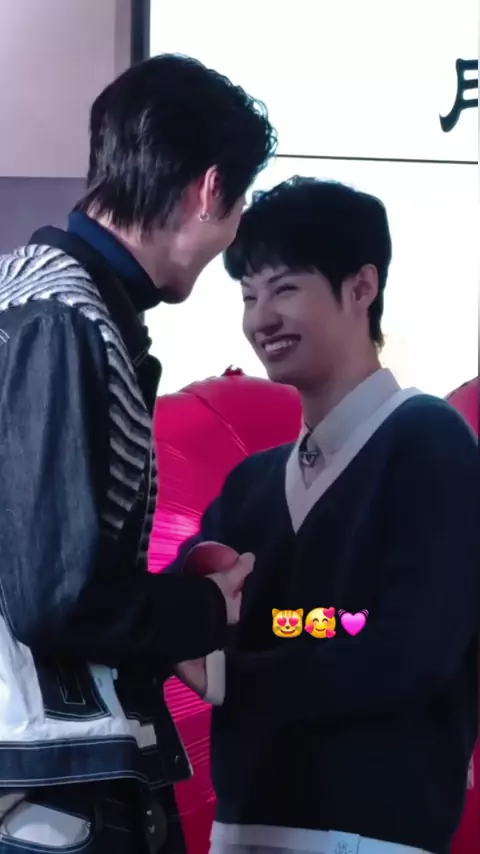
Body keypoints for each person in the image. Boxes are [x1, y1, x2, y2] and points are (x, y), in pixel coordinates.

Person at [0, 54, 276, 853]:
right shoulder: (63, 317)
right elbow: (54, 597)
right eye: (238, 208)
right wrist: (205, 610)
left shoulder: (41, 295)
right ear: (209, 190)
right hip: (47, 786)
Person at [171, 178, 479, 854]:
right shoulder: (252, 484)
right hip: (243, 825)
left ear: (362, 287)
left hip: (370, 833)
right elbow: (181, 607)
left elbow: (413, 653)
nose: (261, 319)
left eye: (284, 289)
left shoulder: (432, 443)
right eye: (248, 296)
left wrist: (232, 679)